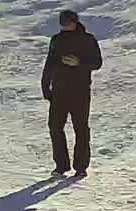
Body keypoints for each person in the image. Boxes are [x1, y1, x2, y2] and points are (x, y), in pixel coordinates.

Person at [43, 10, 102, 178]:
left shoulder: (87, 40)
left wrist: (79, 63)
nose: (65, 26)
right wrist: (45, 86)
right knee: (55, 127)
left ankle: (81, 166)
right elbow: (49, 64)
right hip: (59, 91)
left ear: (75, 22)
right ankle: (61, 166)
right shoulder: (57, 40)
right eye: (63, 23)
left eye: (68, 22)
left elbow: (97, 63)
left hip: (80, 91)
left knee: (81, 128)